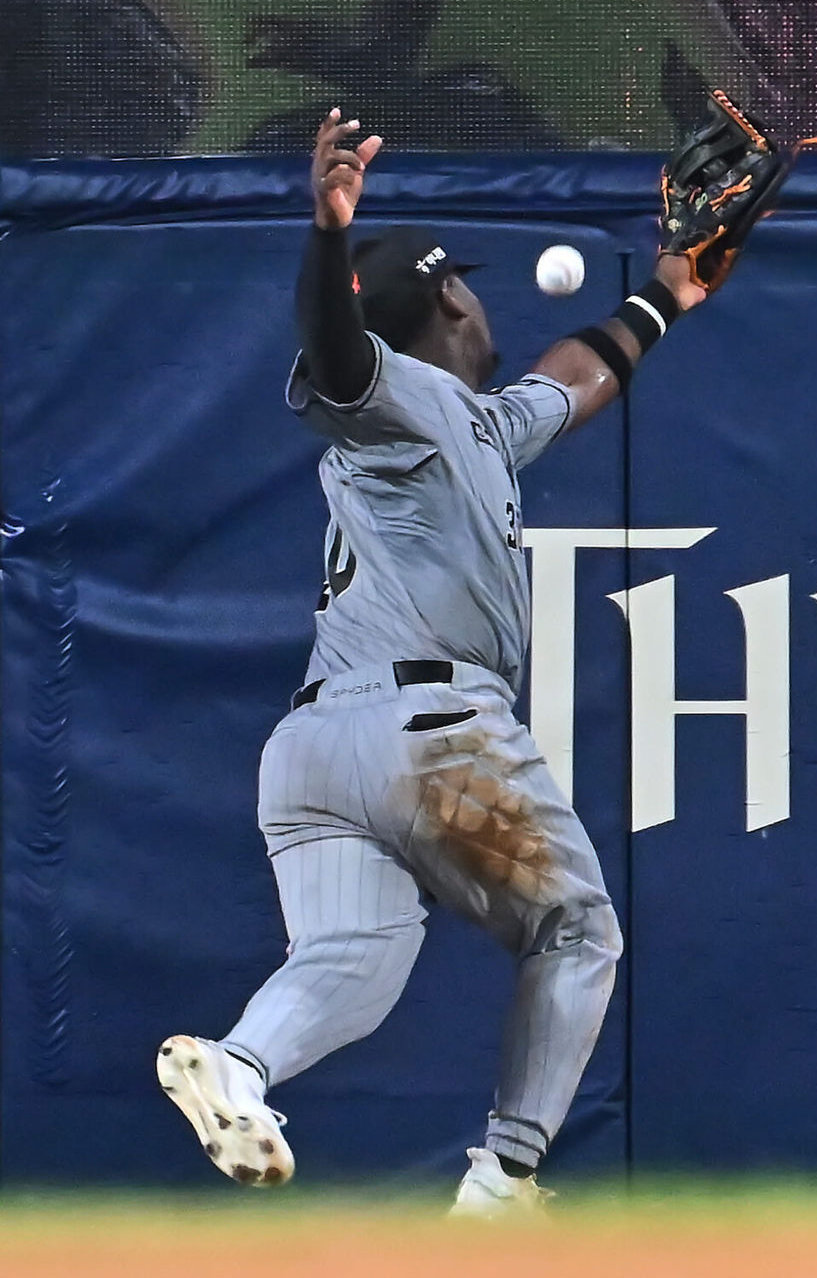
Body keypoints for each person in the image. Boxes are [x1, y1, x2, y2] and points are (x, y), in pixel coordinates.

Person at [157, 107, 711, 1214]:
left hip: (315, 753)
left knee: (354, 952)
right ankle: (504, 1180)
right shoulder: (390, 398)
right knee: (576, 925)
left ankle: (242, 1065)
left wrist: (667, 292)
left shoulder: (476, 424)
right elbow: (335, 349)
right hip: (433, 739)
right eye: (464, 282)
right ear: (452, 296)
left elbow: (578, 375)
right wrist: (325, 234)